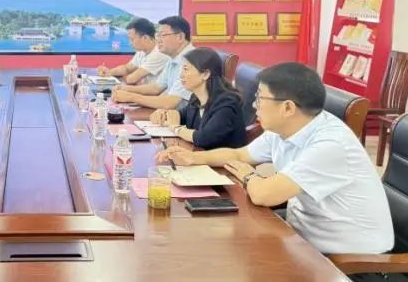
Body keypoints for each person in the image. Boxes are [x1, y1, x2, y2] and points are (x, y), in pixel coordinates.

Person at [156, 62, 394, 255]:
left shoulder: (331, 144)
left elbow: (264, 194)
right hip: (300, 233)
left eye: (260, 99)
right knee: (211, 238)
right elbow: (239, 154)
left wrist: (249, 176)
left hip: (346, 256)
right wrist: (192, 158)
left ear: (288, 108)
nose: (254, 105)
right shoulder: (284, 128)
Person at [150, 47, 245, 149]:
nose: (181, 75)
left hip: (218, 159)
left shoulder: (227, 103)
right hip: (199, 154)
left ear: (205, 74)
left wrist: (176, 128)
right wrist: (165, 114)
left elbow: (204, 138)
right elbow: (181, 115)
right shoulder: (196, 97)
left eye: (186, 69)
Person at [112, 16, 194, 110]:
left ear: (180, 37)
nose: (158, 40)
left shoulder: (191, 61)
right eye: (158, 36)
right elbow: (156, 88)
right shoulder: (173, 58)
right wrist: (125, 89)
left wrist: (131, 97)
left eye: (163, 35)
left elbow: (170, 103)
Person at [97, 18, 169, 85]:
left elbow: (131, 79)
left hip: (153, 93)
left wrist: (116, 77)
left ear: (145, 38)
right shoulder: (142, 51)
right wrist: (109, 72)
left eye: (132, 39)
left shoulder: (159, 53)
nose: (130, 43)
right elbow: (127, 68)